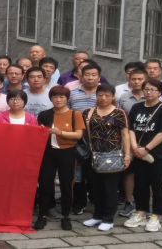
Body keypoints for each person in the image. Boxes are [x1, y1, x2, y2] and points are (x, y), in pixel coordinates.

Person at [124, 78, 162, 232]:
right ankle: (140, 212)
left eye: (153, 90)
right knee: (140, 184)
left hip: (157, 154)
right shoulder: (137, 107)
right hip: (138, 153)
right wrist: (134, 147)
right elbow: (131, 128)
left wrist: (146, 148)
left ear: (160, 92)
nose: (149, 92)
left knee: (157, 185)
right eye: (146, 89)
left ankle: (156, 216)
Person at [34, 85, 86, 231]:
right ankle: (42, 215)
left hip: (67, 152)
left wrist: (60, 132)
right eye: (55, 97)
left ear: (67, 99)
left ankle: (66, 216)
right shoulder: (44, 114)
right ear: (50, 98)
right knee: (45, 184)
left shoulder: (75, 114)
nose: (58, 100)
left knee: (66, 184)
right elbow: (39, 133)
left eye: (62, 97)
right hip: (48, 152)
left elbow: (78, 135)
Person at [82, 84, 131, 232]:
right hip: (94, 155)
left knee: (110, 188)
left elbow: (125, 135)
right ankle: (97, 215)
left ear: (113, 96)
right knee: (95, 187)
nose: (103, 98)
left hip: (112, 155)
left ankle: (108, 218)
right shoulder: (88, 112)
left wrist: (127, 155)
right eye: (100, 95)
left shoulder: (119, 113)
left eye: (107, 95)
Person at [67, 63, 102, 215]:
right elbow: (67, 113)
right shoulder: (73, 93)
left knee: (97, 172)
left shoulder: (104, 93)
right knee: (78, 172)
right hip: (78, 139)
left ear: (99, 77)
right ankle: (79, 202)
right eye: (87, 75)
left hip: (100, 139)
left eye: (94, 75)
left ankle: (96, 200)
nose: (90, 78)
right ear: (81, 76)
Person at [117, 67, 147, 217]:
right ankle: (128, 202)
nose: (136, 81)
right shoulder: (123, 97)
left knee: (147, 173)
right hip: (128, 139)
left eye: (140, 79)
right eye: (133, 78)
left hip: (147, 140)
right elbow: (119, 118)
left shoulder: (152, 96)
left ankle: (145, 203)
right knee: (128, 172)